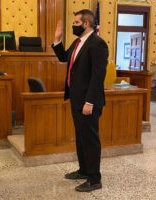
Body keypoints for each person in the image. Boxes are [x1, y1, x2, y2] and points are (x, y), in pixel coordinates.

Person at [52, 9, 109, 192]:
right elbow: (63, 58)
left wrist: (90, 102)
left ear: (86, 24)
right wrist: (57, 39)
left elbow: (97, 76)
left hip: (88, 102)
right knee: (81, 138)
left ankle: (94, 179)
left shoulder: (97, 44)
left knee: (90, 139)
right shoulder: (78, 42)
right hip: (76, 99)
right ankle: (84, 170)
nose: (73, 26)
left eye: (76, 23)